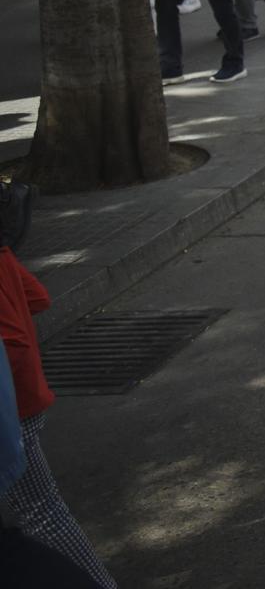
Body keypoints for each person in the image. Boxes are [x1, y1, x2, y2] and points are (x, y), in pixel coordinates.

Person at [1, 242, 117, 588]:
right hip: (23, 397)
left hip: (13, 408)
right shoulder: (2, 253)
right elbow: (38, 297)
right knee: (42, 507)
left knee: (41, 511)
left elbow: (12, 341)